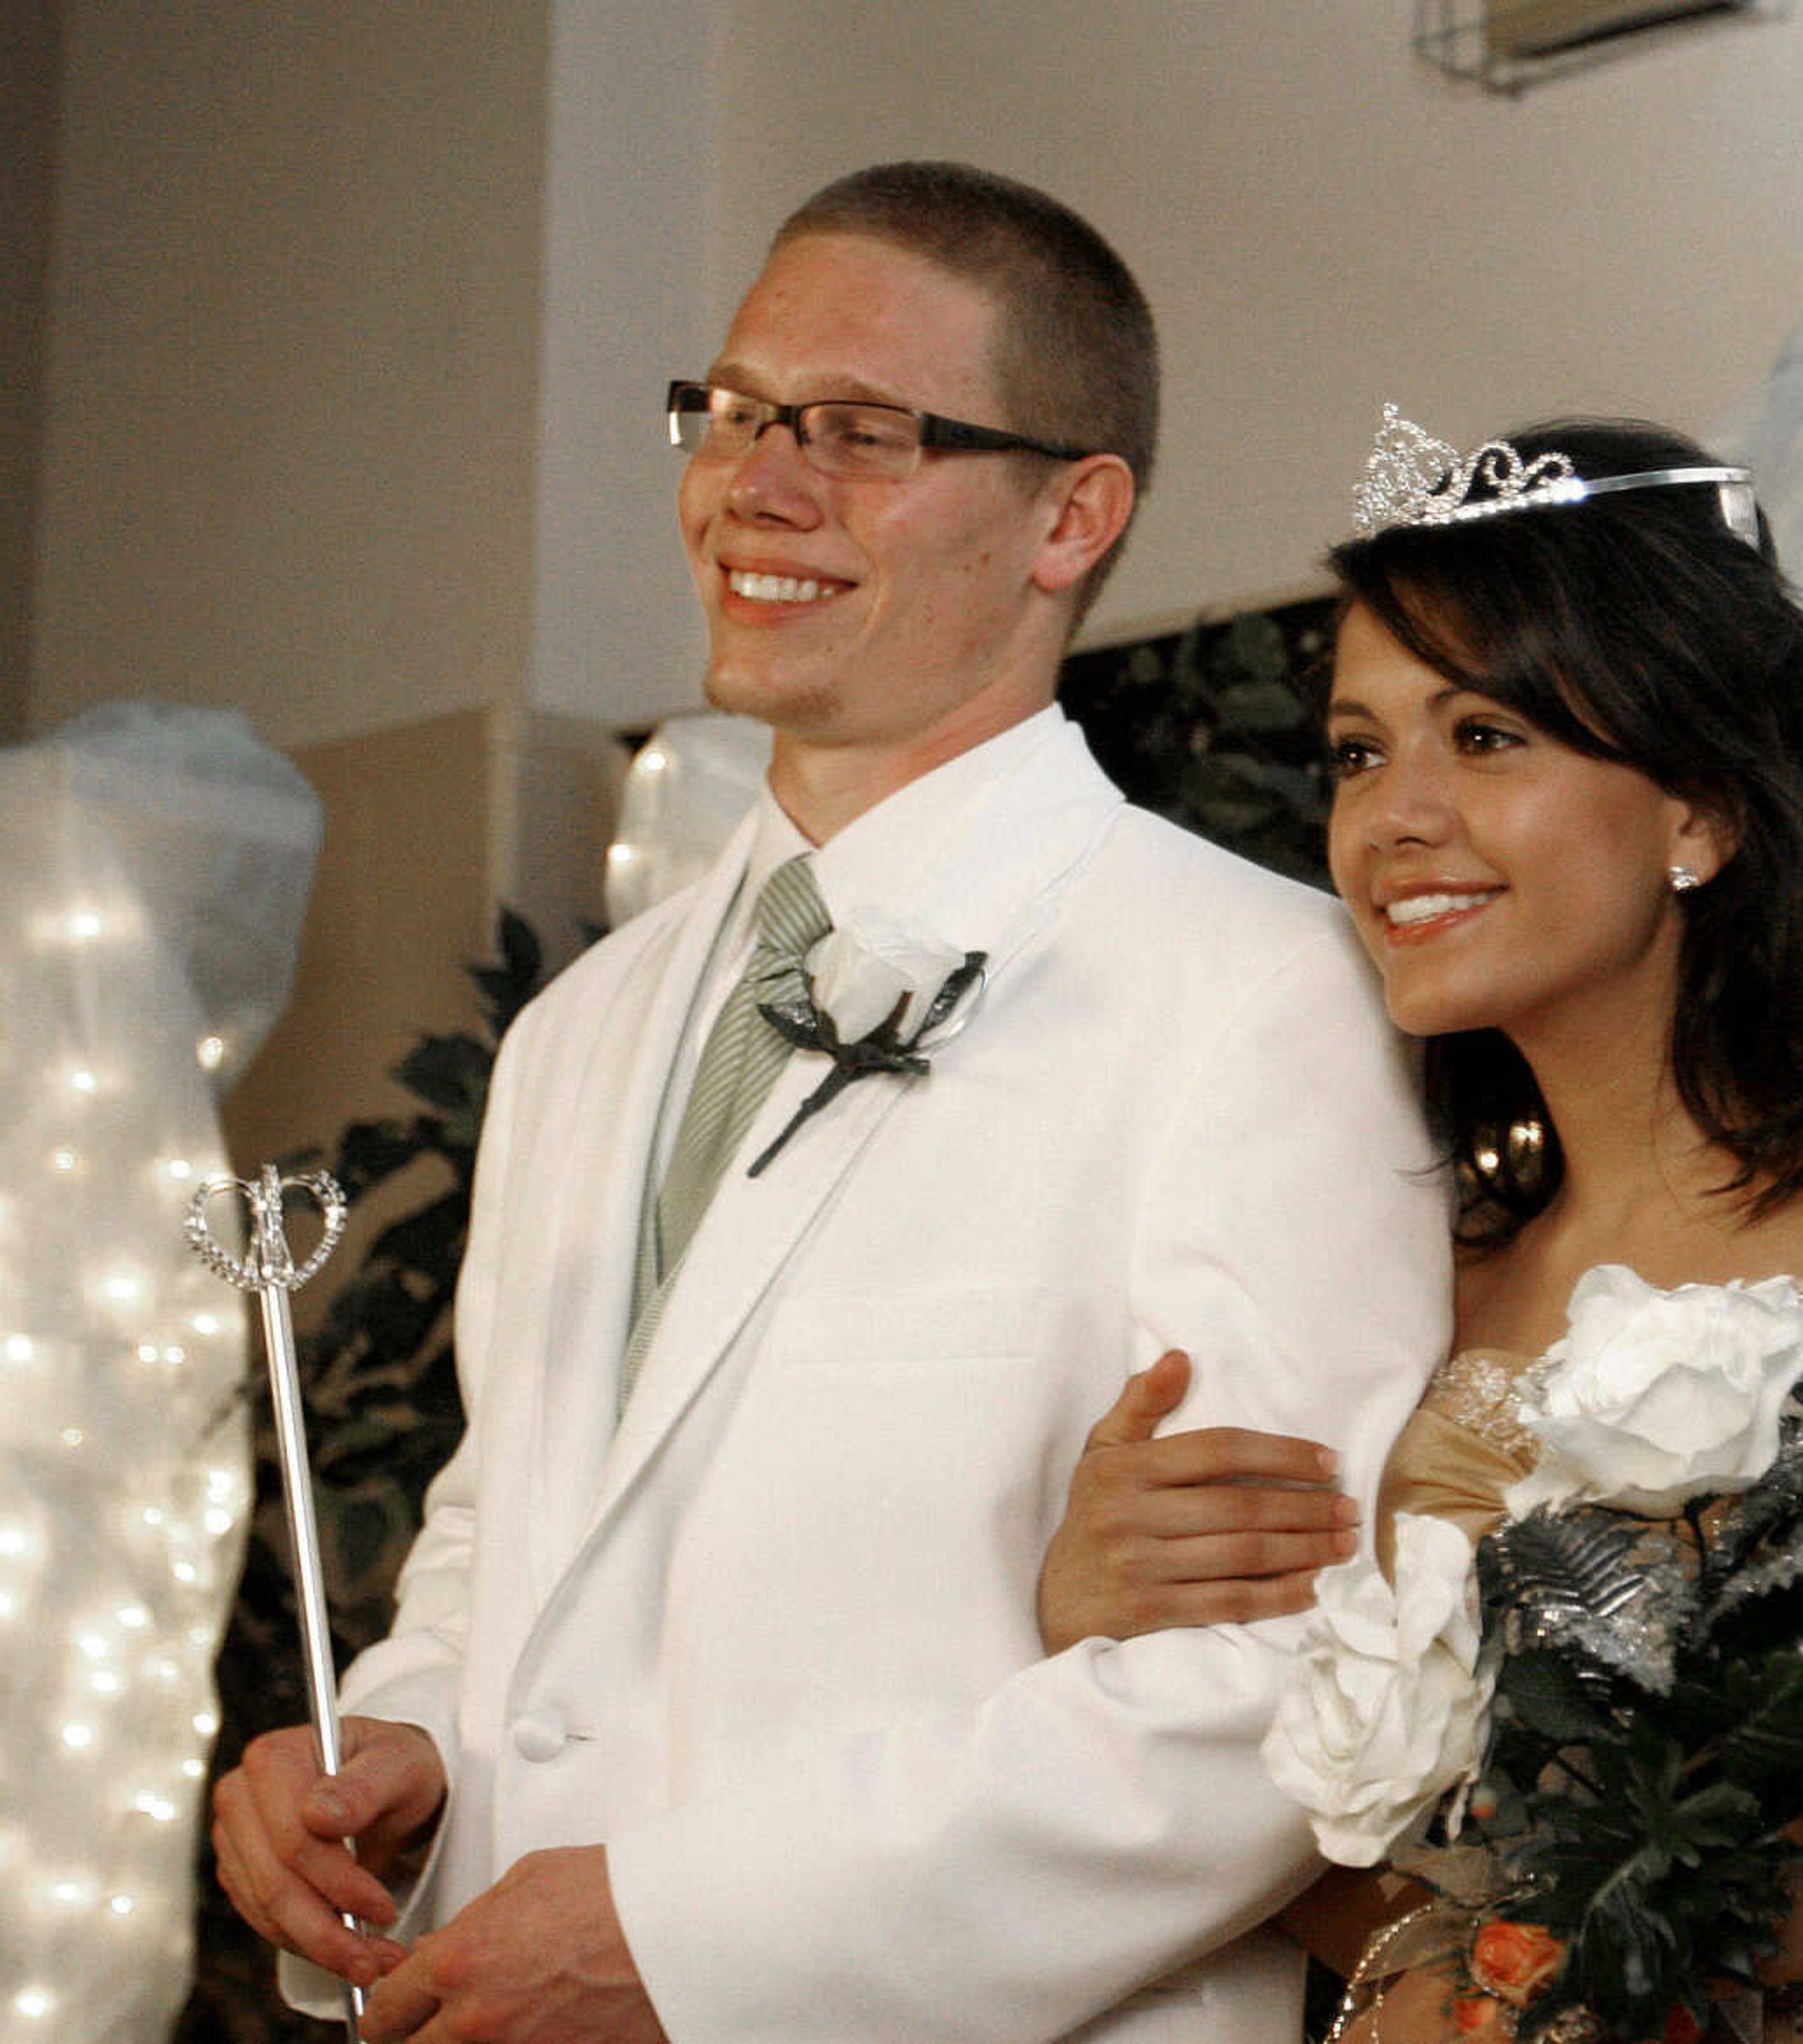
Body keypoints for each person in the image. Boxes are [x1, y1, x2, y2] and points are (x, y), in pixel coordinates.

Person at [208, 162, 1452, 2044]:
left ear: (1072, 516)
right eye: (733, 414)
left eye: (862, 433)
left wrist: (681, 1944)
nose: (754, 487)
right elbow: (505, 1531)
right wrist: (395, 1745)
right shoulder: (582, 1027)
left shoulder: (1255, 990)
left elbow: (1275, 1690)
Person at [1037, 414, 1803, 2040]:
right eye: (1361, 750)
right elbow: (1369, 1869)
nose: (1395, 815)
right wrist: (1097, 1628)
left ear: (1701, 810)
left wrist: (1640, 1978)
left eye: (1490, 736)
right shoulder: (1418, 1236)